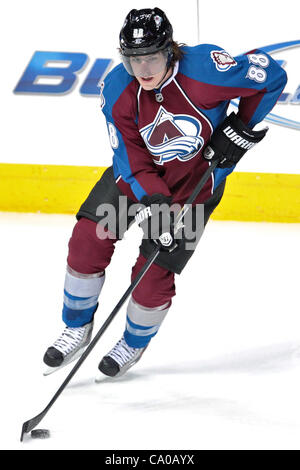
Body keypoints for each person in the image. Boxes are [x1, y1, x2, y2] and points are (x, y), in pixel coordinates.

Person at [43, 7, 287, 377]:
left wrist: (242, 126)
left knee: (155, 272)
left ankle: (133, 343)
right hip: (135, 181)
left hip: (196, 186)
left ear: (170, 51)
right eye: (133, 60)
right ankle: (77, 325)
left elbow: (271, 75)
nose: (142, 70)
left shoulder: (206, 70)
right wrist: (156, 202)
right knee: (88, 239)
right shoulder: (117, 89)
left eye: (151, 58)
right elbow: (130, 156)